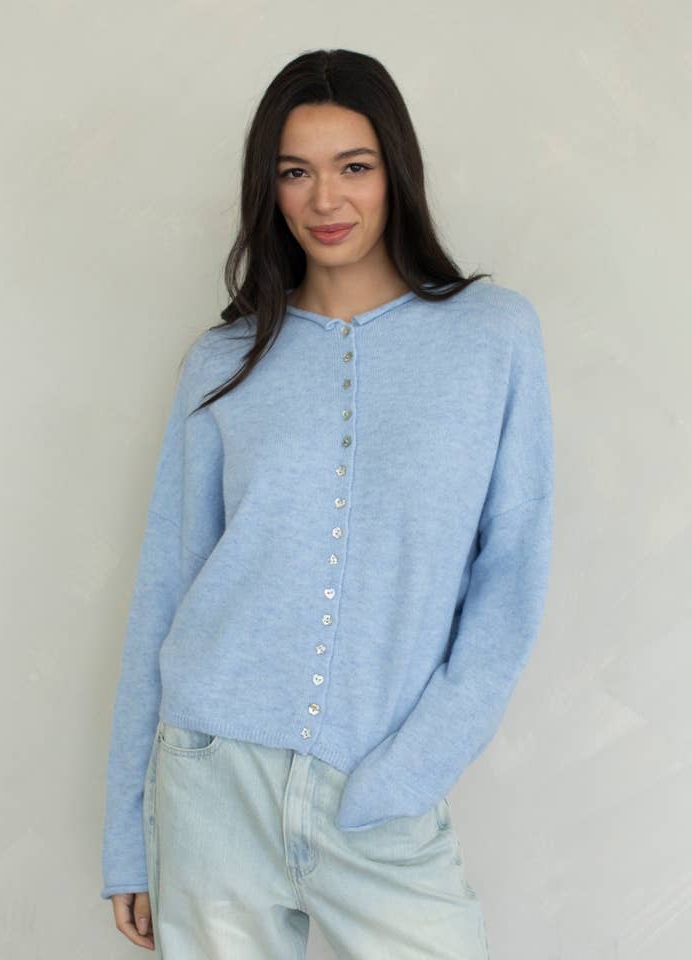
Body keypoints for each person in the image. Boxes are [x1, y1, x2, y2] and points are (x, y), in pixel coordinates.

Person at [100, 48, 554, 959]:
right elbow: (166, 588)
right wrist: (126, 838)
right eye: (295, 172)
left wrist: (415, 768)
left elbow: (510, 578)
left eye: (354, 166)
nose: (325, 200)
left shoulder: (490, 337)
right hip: (210, 785)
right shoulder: (223, 362)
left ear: (395, 173)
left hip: (379, 794)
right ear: (268, 189)